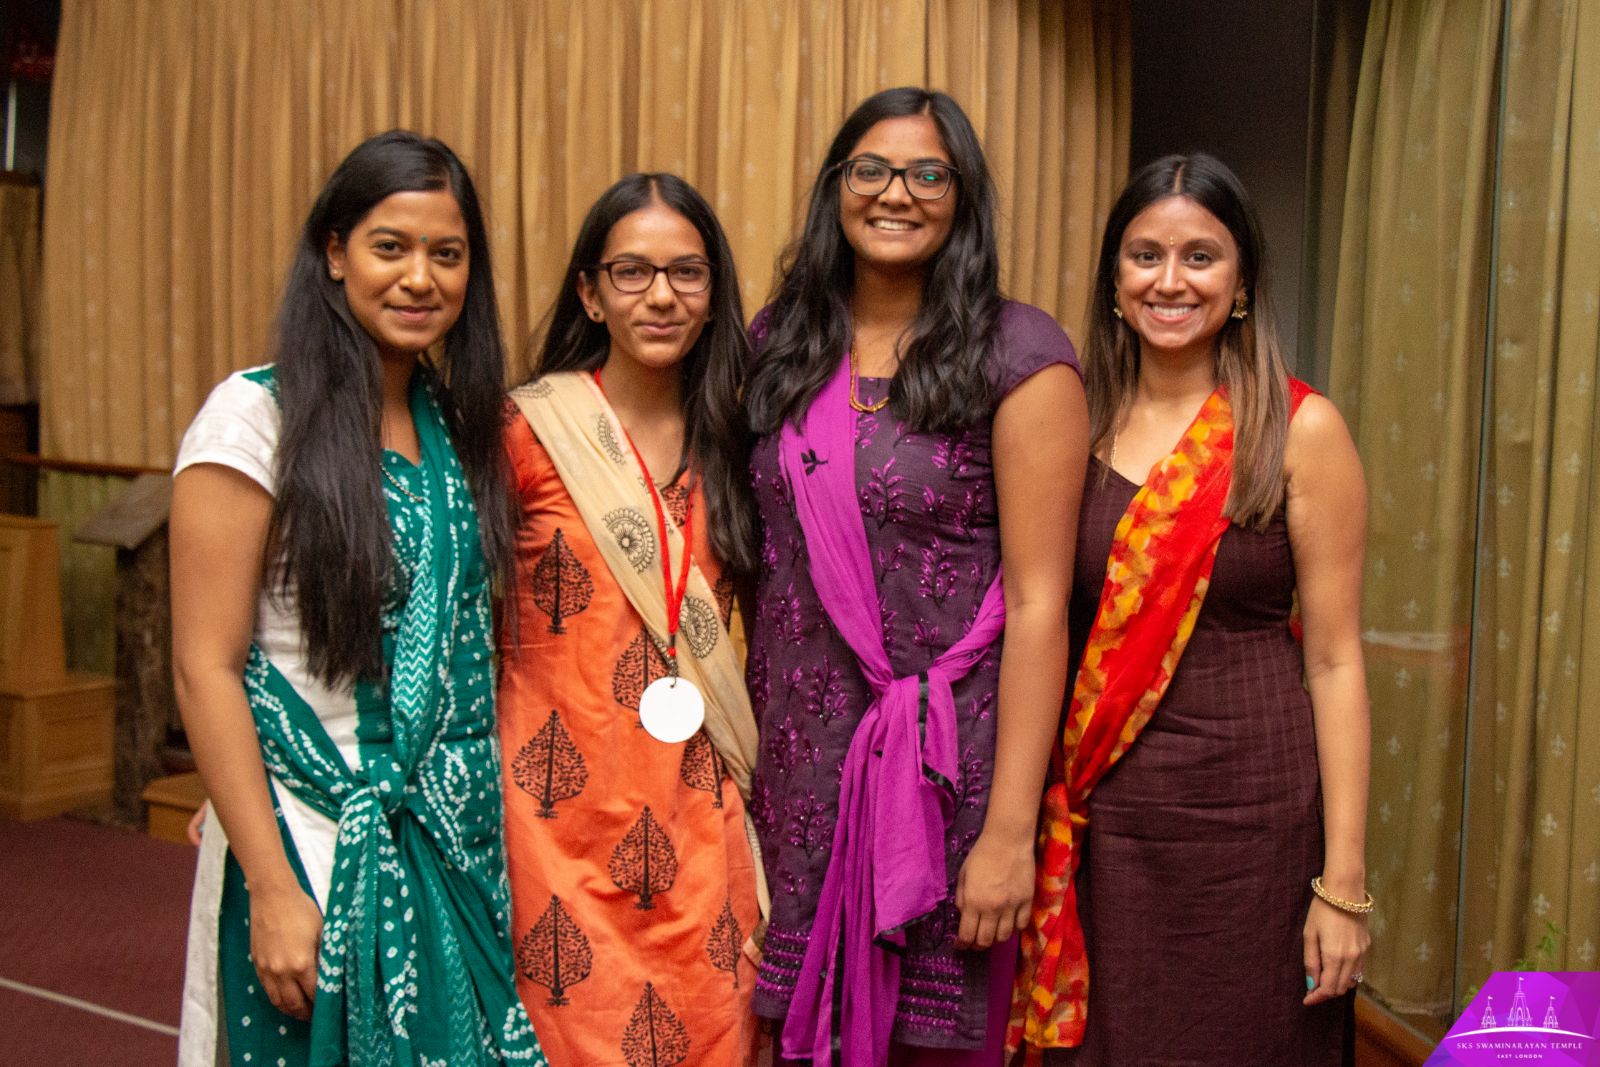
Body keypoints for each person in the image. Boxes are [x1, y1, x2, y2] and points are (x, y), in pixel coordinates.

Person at [170, 130, 545, 1067]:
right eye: (391, 247)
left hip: (455, 847)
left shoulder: (463, 427)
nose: (421, 278)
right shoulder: (255, 418)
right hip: (307, 839)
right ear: (334, 253)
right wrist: (269, 882)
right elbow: (204, 666)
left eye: (447, 254)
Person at [742, 87, 1089, 1065]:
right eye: (872, 170)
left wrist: (1010, 830)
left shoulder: (1018, 356)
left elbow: (1039, 604)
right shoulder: (779, 342)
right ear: (836, 188)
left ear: (962, 196)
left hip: (946, 784)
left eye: (928, 174)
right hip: (796, 774)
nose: (896, 193)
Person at [1010, 153, 1372, 1066]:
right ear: (1114, 279)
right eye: (1146, 256)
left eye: (1200, 257)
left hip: (1256, 823)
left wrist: (1344, 882)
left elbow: (1336, 661)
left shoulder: (1300, 430)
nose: (1170, 281)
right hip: (1107, 820)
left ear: (1242, 282)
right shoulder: (1072, 423)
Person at [498, 173, 764, 1066]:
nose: (660, 295)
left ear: (714, 292)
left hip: (698, 824)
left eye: (686, 272)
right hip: (550, 829)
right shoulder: (527, 431)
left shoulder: (742, 443)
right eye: (632, 272)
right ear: (590, 292)